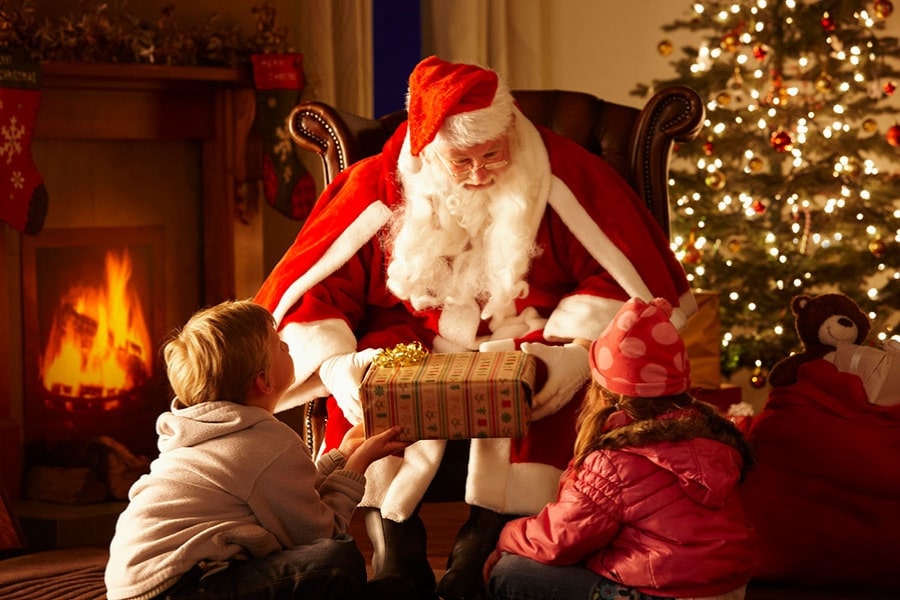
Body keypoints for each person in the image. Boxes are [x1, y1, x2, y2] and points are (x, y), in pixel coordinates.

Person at [254, 55, 696, 600]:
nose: (481, 172)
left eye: (492, 154)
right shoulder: (378, 184)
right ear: (429, 153)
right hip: (408, 341)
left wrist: (563, 348)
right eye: (462, 161)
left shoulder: (561, 174)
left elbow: (619, 279)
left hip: (525, 332)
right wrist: (342, 364)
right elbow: (314, 289)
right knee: (368, 396)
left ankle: (479, 553)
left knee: (552, 388)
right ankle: (397, 556)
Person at [104, 300, 409, 600]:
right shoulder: (266, 444)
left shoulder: (209, 430)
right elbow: (321, 533)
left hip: (139, 584)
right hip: (178, 588)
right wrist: (359, 464)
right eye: (278, 345)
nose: (287, 346)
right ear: (263, 381)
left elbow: (285, 495)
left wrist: (342, 454)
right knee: (336, 563)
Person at [484, 297, 756, 600]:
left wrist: (507, 536)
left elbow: (561, 539)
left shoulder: (614, 461)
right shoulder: (714, 436)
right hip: (728, 588)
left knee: (511, 572)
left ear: (606, 394)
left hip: (668, 593)